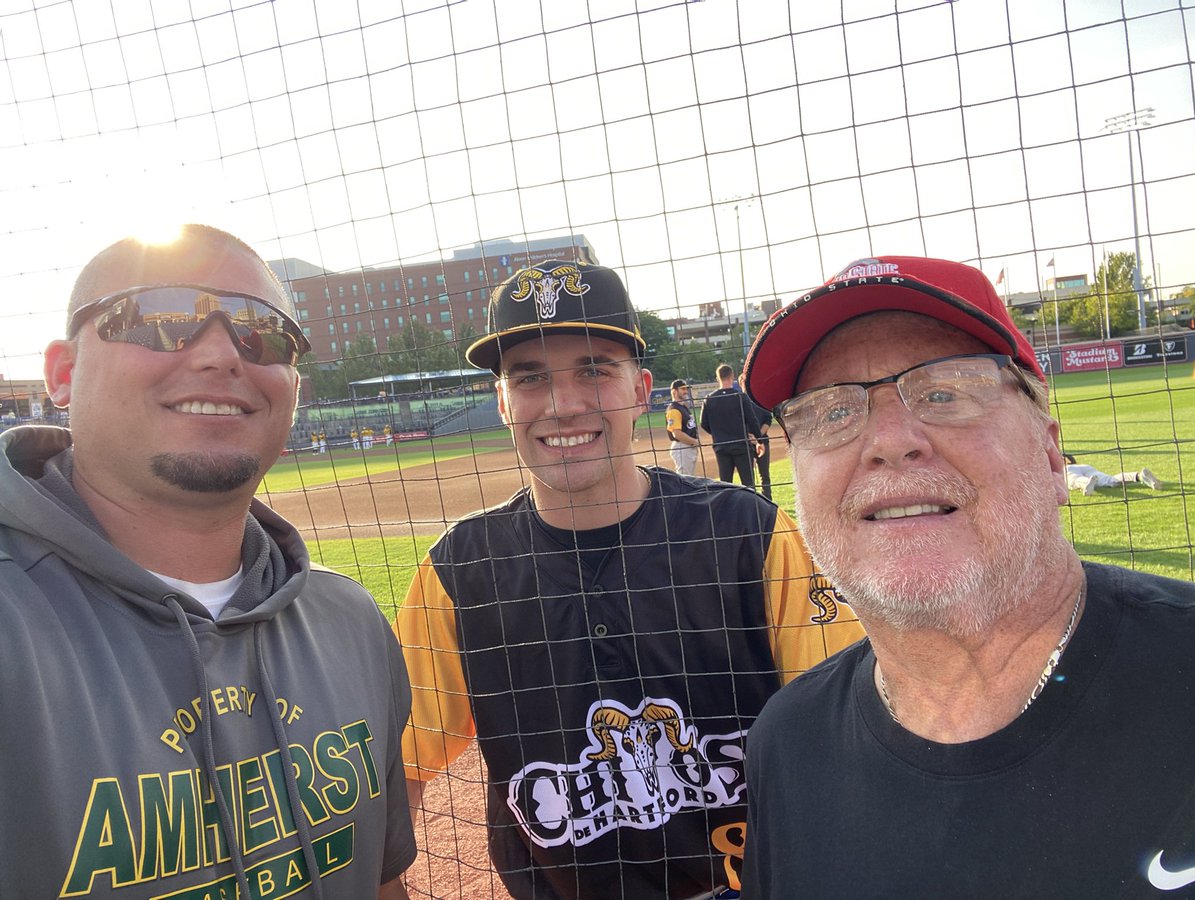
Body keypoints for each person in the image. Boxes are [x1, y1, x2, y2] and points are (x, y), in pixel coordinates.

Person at [394, 260, 862, 899]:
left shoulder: (747, 534)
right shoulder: (458, 571)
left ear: (641, 390)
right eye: (530, 378)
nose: (564, 404)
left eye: (594, 370)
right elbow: (402, 769)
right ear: (502, 400)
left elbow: (848, 734)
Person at [738, 255, 1195, 897]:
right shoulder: (787, 747)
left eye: (943, 392)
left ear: (1049, 452)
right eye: (831, 412)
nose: (889, 441)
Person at [0, 226, 416, 897]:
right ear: (63, 374)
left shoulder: (351, 621)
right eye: (160, 316)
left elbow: (379, 882)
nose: (223, 354)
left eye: (263, 331)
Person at [700, 363, 763, 488]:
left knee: (725, 484)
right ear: (732, 377)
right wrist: (760, 440)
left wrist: (718, 433)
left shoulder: (709, 399)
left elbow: (703, 423)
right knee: (748, 484)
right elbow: (752, 419)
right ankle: (750, 507)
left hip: (721, 446)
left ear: (718, 378)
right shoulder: (740, 396)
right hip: (741, 444)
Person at [1063, 453, 1163, 495]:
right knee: (1109, 480)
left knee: (1074, 480)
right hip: (1086, 467)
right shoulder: (1074, 462)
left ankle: (1085, 484)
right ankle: (1139, 476)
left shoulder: (1061, 465)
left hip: (1066, 469)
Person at [664, 377, 700, 475]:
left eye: (686, 389)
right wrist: (694, 441)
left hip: (687, 447)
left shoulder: (683, 407)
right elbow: (677, 434)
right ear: (674, 391)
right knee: (684, 480)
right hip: (682, 447)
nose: (686, 391)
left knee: (689, 478)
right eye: (683, 389)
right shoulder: (674, 410)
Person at [750, 401, 773, 501]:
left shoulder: (760, 402)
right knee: (749, 477)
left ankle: (767, 500)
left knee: (764, 474)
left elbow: (768, 420)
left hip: (763, 441)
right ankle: (752, 500)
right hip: (746, 443)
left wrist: (757, 436)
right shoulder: (740, 401)